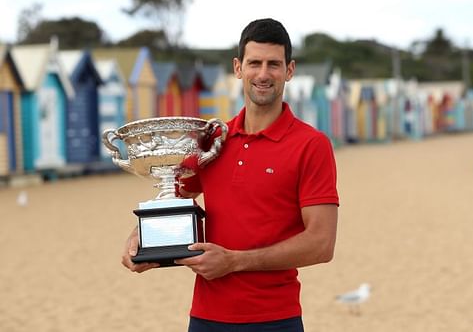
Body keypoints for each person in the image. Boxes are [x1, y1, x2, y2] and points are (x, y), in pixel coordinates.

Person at [122, 18, 340, 332]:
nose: (263, 74)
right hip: (206, 319)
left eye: (273, 64)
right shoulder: (212, 141)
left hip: (275, 320)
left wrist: (235, 261)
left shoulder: (311, 145)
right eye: (254, 63)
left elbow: (321, 244)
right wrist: (139, 239)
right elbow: (171, 196)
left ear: (289, 71)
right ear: (238, 67)